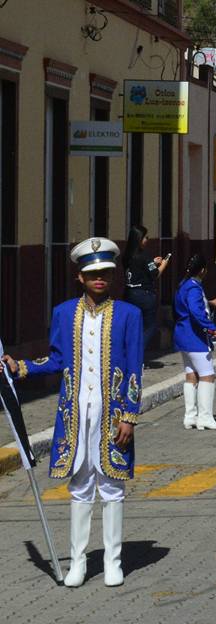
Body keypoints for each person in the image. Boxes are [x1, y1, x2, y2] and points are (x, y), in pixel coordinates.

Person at [4, 238, 142, 587]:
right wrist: (19, 367)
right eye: (92, 273)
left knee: (112, 486)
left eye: (106, 273)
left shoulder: (129, 315)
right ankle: (78, 562)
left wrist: (129, 415)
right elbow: (56, 358)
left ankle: (113, 561)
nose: (100, 279)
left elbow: (136, 369)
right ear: (79, 277)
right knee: (80, 483)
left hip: (111, 413)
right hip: (75, 412)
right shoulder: (64, 313)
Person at [173, 254, 216, 430]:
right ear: (202, 270)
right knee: (207, 375)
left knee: (191, 375)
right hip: (194, 337)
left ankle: (190, 416)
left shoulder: (183, 285)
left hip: (182, 334)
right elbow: (196, 311)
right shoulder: (194, 288)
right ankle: (205, 417)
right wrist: (211, 327)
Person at [121, 224, 169, 351]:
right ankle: (136, 352)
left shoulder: (127, 255)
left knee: (133, 325)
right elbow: (155, 274)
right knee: (150, 326)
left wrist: (153, 263)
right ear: (139, 239)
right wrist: (164, 264)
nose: (147, 239)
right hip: (144, 294)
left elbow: (139, 268)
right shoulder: (144, 255)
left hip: (129, 293)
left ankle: (128, 350)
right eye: (145, 237)